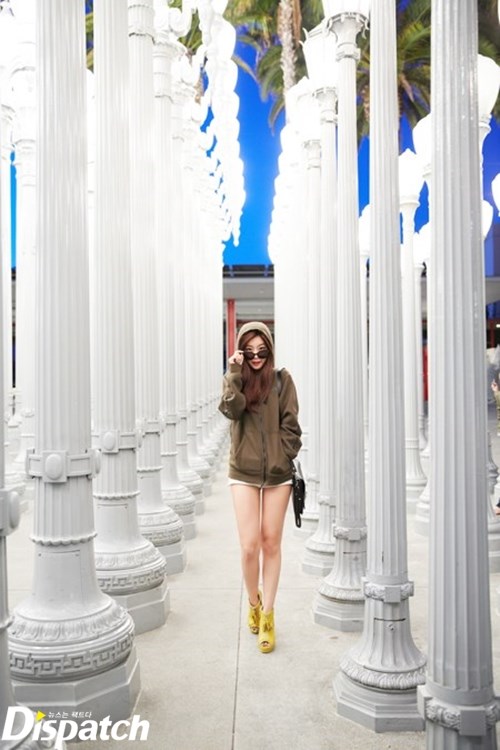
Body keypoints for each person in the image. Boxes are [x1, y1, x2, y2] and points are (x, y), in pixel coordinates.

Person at [219, 321, 302, 653]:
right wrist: (234, 374)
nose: (256, 357)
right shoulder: (235, 380)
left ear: (270, 350)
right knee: (249, 546)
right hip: (243, 471)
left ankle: (268, 615)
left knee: (271, 542)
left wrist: (284, 454)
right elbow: (230, 410)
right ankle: (253, 602)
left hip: (278, 473)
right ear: (241, 351)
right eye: (249, 351)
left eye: (261, 351)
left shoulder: (282, 380)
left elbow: (292, 425)